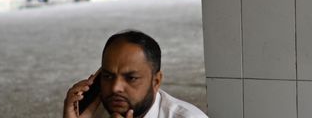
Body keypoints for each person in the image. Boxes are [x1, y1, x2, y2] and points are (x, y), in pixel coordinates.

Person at [63, 30, 207, 118]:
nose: (115, 88)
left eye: (131, 78)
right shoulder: (92, 114)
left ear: (156, 82)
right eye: (108, 76)